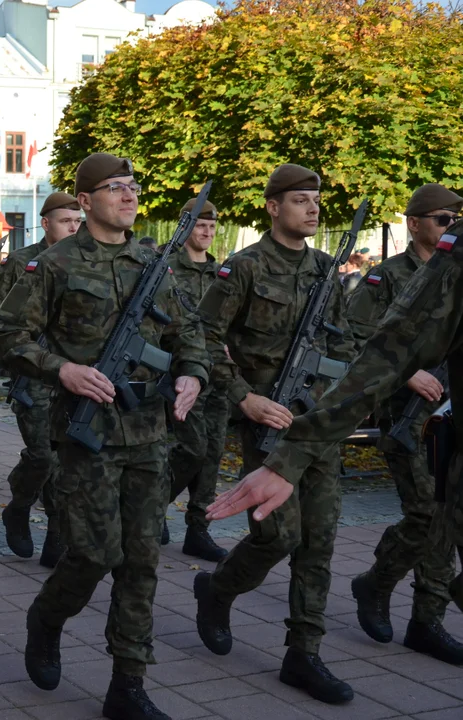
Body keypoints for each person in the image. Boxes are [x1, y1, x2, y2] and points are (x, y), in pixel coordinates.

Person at [0, 153, 208, 720]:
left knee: (141, 559)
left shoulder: (156, 263)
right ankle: (47, 618)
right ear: (85, 202)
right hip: (86, 436)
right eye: (116, 188)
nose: (130, 196)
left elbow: (190, 333)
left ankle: (128, 684)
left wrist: (192, 373)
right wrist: (61, 369)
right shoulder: (55, 265)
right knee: (92, 553)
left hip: (149, 432)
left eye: (134, 187)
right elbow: (7, 337)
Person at [269, 183, 463, 665]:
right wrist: (408, 370)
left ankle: (426, 617)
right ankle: (376, 583)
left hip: (447, 415)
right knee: (425, 515)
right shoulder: (389, 277)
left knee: (443, 519)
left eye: (454, 219)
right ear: (415, 223)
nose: (450, 227)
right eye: (442, 219)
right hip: (406, 418)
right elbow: (360, 342)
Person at [192, 164, 357, 705]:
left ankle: (303, 654)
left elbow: (344, 346)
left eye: (315, 201)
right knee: (277, 535)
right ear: (272, 206)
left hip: (316, 424)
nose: (312, 209)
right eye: (300, 200)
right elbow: (202, 337)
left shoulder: (326, 271)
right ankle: (216, 591)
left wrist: (337, 400)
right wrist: (243, 395)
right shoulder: (244, 267)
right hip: (265, 422)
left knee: (319, 542)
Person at [0, 191, 82, 566]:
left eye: (77, 222)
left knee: (68, 460)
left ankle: (57, 536)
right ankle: (20, 505)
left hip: (76, 377)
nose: (73, 228)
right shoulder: (24, 262)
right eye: (65, 221)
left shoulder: (88, 262)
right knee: (43, 456)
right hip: (36, 376)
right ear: (46, 224)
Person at [162, 199, 230, 561]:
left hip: (219, 377)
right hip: (182, 376)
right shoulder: (168, 267)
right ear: (185, 227)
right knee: (190, 448)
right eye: (200, 225)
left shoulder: (222, 273)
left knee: (213, 454)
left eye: (211, 226)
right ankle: (155, 505)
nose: (206, 232)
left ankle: (198, 529)